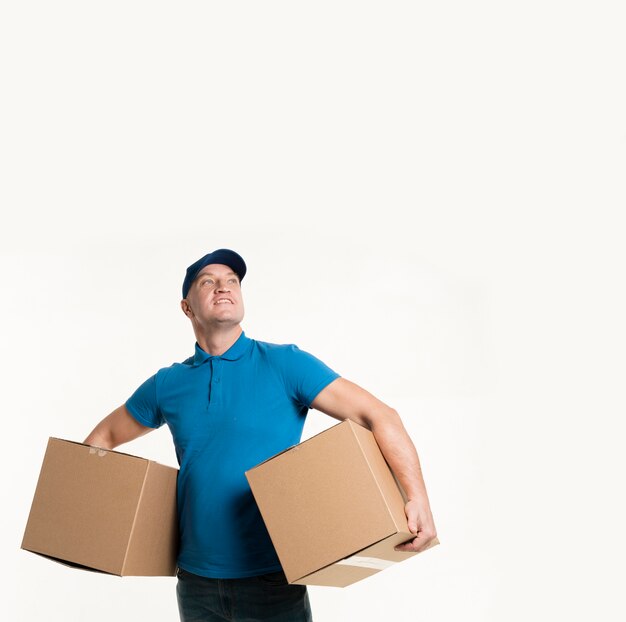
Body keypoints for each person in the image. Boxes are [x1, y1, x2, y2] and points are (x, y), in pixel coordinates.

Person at [84, 248, 437, 622]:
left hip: (273, 578)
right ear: (187, 307)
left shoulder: (285, 364)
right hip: (195, 582)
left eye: (232, 281)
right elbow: (102, 438)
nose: (223, 287)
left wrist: (417, 498)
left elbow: (380, 415)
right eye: (208, 282)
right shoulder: (167, 384)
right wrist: (99, 516)